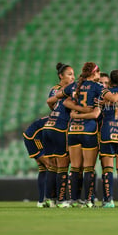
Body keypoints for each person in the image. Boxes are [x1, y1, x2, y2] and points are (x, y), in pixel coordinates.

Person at [72, 70, 118, 208]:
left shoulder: (104, 94)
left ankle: (108, 200)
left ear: (110, 81)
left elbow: (96, 110)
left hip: (107, 132)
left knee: (107, 169)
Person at [64, 62, 103, 208]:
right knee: (88, 167)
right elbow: (96, 113)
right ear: (94, 73)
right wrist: (87, 111)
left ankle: (73, 200)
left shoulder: (74, 86)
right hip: (88, 130)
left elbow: (63, 100)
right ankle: (88, 200)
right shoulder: (98, 87)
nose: (99, 76)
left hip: (73, 130)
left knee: (74, 167)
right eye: (98, 73)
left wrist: (76, 111)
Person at [41, 62, 76, 208]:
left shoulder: (54, 89)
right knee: (62, 166)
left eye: (73, 74)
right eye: (69, 74)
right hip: (60, 128)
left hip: (48, 127)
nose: (73, 77)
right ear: (61, 76)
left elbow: (51, 104)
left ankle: (49, 199)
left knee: (52, 167)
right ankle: (61, 201)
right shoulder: (71, 89)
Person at [22, 116, 50, 208]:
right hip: (34, 138)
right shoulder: (63, 119)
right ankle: (49, 199)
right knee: (50, 166)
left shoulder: (57, 116)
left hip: (37, 137)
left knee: (43, 169)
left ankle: (42, 200)